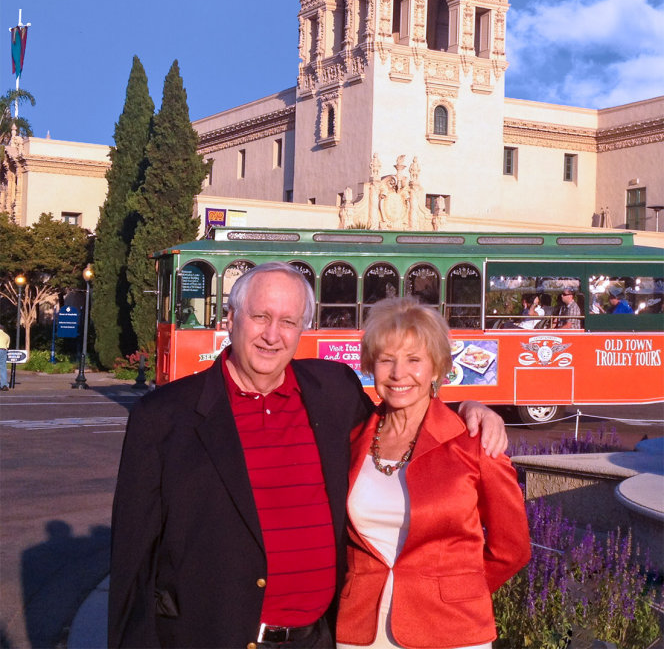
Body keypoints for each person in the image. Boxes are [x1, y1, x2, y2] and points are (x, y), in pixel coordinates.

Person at [108, 263, 508, 649]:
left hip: (321, 638)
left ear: (303, 328)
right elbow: (133, 560)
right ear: (231, 319)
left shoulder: (332, 391)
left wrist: (465, 409)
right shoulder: (163, 416)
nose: (272, 335)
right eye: (260, 316)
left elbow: (401, 420)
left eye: (288, 321)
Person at [336, 298, 531, 649]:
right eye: (386, 360)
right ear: (370, 365)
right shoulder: (352, 439)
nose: (398, 374)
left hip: (450, 630)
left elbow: (512, 548)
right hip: (361, 629)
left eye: (414, 360)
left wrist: (456, 593)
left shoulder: (473, 443)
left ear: (437, 368)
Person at [0, 324, 10, 390]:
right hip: (3, 350)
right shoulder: (7, 336)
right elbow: (7, 346)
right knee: (3, 367)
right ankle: (4, 385)